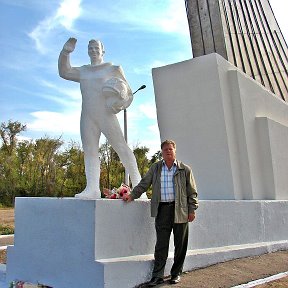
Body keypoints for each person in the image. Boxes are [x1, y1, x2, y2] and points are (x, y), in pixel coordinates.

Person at [58, 37, 144, 199]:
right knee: (90, 151)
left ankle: (139, 186)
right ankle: (92, 189)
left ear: (103, 50)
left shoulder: (113, 69)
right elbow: (64, 72)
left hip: (106, 114)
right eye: (90, 48)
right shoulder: (83, 71)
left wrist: (118, 102)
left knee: (121, 147)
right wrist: (65, 53)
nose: (93, 50)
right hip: (87, 115)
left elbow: (128, 93)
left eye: (96, 48)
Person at [123, 140, 198, 286]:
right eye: (165, 149)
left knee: (180, 244)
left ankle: (176, 274)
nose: (168, 151)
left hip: (180, 210)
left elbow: (192, 192)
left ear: (175, 151)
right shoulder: (156, 168)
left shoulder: (185, 169)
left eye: (170, 149)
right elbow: (144, 183)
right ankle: (157, 276)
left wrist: (192, 209)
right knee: (161, 245)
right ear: (162, 152)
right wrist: (132, 195)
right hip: (162, 210)